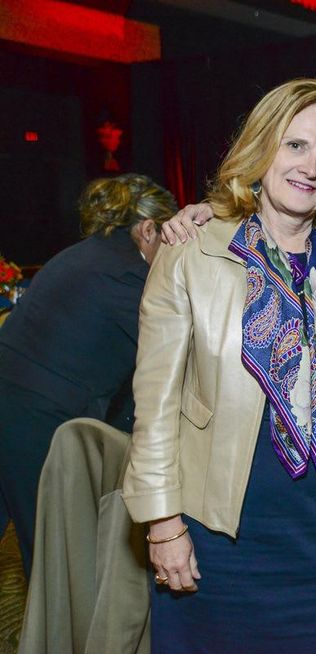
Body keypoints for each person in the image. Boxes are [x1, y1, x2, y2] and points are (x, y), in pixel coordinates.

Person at [121, 78, 316, 653]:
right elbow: (155, 405)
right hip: (218, 534)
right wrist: (162, 523)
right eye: (295, 146)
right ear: (262, 147)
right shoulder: (192, 252)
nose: (310, 167)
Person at [0, 173, 175, 578]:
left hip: (14, 404)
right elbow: (167, 358)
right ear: (148, 229)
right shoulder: (126, 273)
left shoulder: (87, 254)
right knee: (55, 551)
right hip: (36, 419)